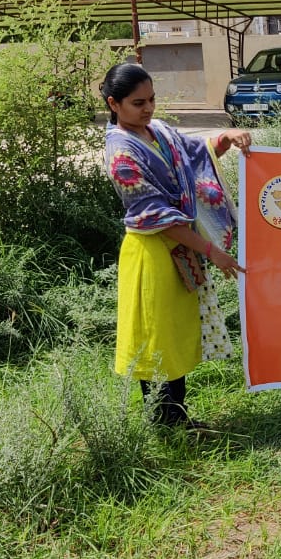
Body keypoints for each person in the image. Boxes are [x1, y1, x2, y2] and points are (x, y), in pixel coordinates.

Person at [102, 62, 252, 428]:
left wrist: (227, 139)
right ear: (114, 104)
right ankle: (165, 422)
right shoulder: (122, 153)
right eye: (139, 103)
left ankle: (176, 418)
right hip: (152, 251)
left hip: (180, 247)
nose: (149, 108)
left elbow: (194, 153)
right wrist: (211, 250)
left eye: (152, 99)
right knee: (155, 336)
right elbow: (157, 216)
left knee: (175, 332)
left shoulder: (159, 133)